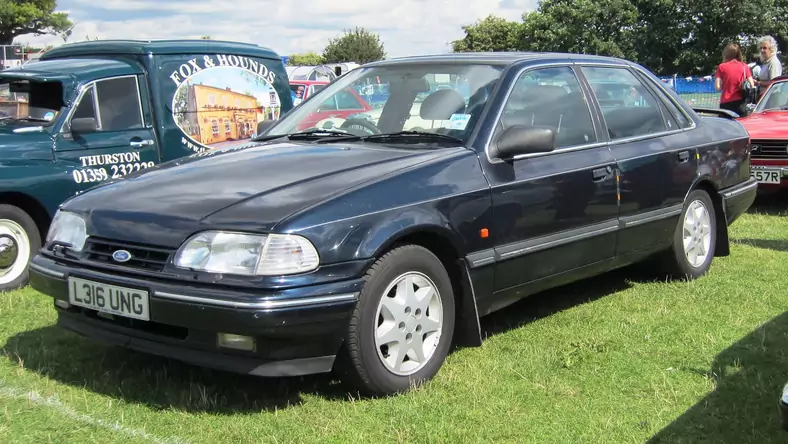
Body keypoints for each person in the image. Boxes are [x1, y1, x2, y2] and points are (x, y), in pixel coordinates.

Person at [714, 43, 755, 115]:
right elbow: (752, 84)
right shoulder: (744, 66)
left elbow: (718, 87)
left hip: (726, 102)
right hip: (741, 102)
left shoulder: (721, 67)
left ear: (726, 53)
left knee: (725, 125)